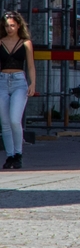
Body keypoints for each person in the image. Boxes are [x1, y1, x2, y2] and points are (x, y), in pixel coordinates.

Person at [1, 11, 36, 169]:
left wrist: (32, 84)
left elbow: (30, 65)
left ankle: (18, 154)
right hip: (2, 81)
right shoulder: (0, 42)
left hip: (19, 82)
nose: (9, 29)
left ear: (19, 25)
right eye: (7, 26)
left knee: (15, 119)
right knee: (5, 122)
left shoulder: (25, 43)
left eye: (12, 26)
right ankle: (10, 156)